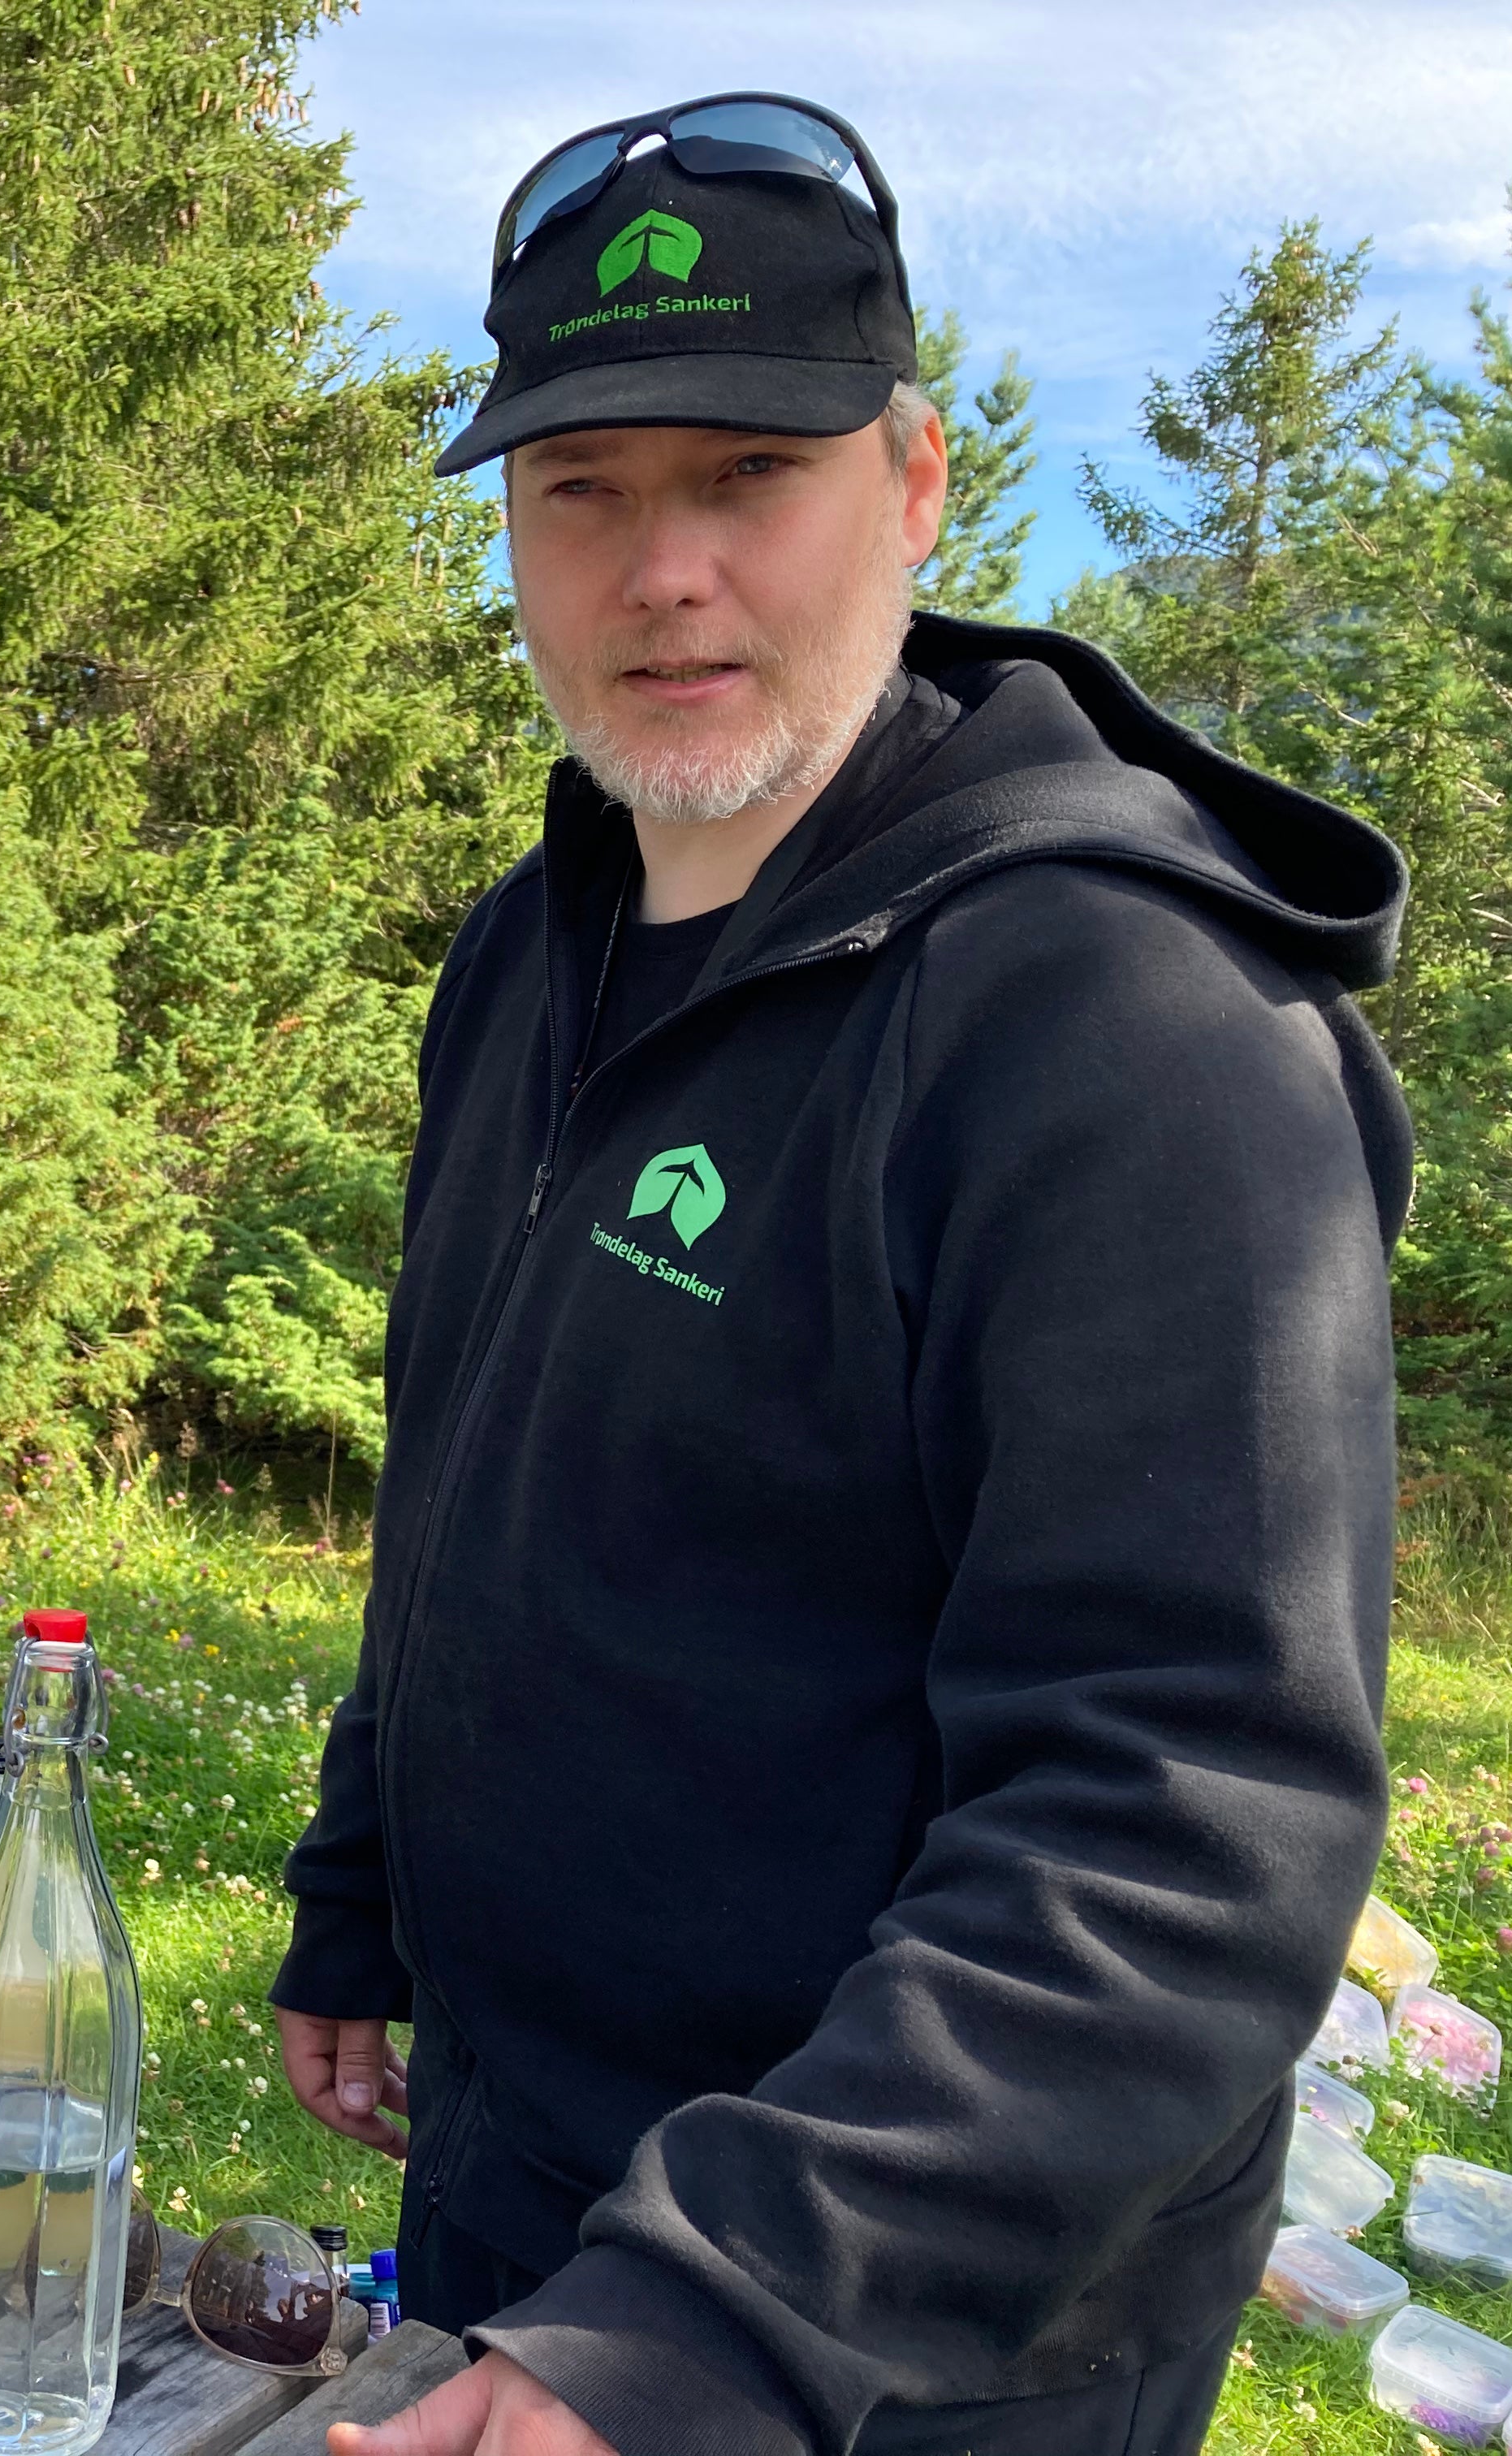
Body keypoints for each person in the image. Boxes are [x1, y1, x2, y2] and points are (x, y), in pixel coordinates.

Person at [270, 94, 1406, 2456]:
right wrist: (366, 1882)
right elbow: (478, 1458)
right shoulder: (532, 947)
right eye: (581, 492)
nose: (660, 573)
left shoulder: (1130, 1020)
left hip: (909, 2329)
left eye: (743, 479)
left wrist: (707, 2323)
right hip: (536, 2210)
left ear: (912, 482)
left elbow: (1186, 1817)